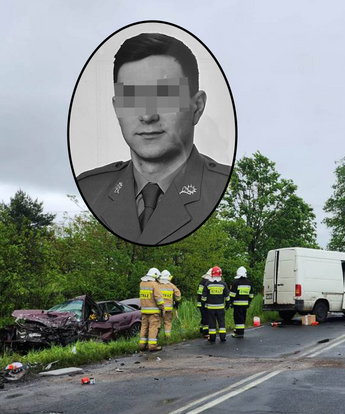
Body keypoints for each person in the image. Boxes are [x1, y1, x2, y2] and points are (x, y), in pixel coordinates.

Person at [75, 32, 231, 245]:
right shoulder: (89, 190)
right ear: (117, 108)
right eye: (131, 98)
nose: (148, 115)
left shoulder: (227, 189)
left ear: (197, 106)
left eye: (164, 96)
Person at [138, 267, 165, 351]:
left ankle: (142, 345)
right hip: (153, 312)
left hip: (144, 310)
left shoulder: (142, 283)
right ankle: (152, 346)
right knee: (153, 327)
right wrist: (162, 308)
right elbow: (158, 298)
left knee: (144, 327)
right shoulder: (154, 284)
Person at [202, 266, 230, 343]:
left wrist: (203, 304)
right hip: (220, 307)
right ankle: (223, 337)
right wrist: (228, 304)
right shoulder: (223, 284)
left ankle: (212, 338)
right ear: (220, 274)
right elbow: (227, 295)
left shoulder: (208, 284)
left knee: (212, 323)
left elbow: (204, 296)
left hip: (210, 308)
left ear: (212, 274)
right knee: (221, 322)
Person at [229, 266, 254, 338]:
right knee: (243, 318)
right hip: (245, 304)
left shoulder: (235, 282)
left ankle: (239, 333)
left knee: (237, 318)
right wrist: (249, 302)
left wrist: (230, 302)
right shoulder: (249, 283)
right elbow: (251, 295)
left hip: (237, 304)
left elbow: (232, 294)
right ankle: (240, 331)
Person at [158, 270, 182, 339]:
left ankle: (156, 336)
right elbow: (178, 295)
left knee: (158, 323)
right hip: (169, 308)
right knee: (168, 322)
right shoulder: (171, 286)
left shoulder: (157, 285)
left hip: (160, 308)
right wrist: (176, 301)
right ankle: (167, 337)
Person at [196, 268, 211, 338]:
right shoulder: (207, 282)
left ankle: (202, 330)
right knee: (206, 317)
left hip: (200, 302)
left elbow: (199, 293)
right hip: (204, 303)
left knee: (203, 317)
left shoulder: (202, 281)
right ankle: (206, 333)